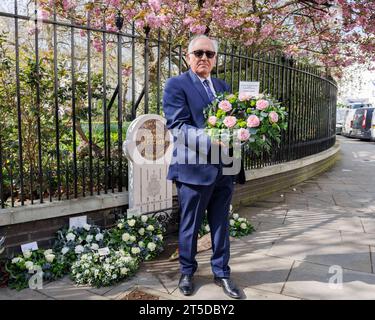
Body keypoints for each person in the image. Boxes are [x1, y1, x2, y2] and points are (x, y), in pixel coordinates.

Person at [162, 35, 241, 299]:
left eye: (209, 54)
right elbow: (178, 126)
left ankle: (222, 273)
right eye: (198, 53)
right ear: (188, 56)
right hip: (193, 170)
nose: (204, 58)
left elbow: (232, 123)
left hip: (225, 168)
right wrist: (212, 139)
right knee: (190, 225)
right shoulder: (176, 84)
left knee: (221, 224)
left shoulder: (222, 85)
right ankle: (187, 272)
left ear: (215, 58)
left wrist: (247, 129)